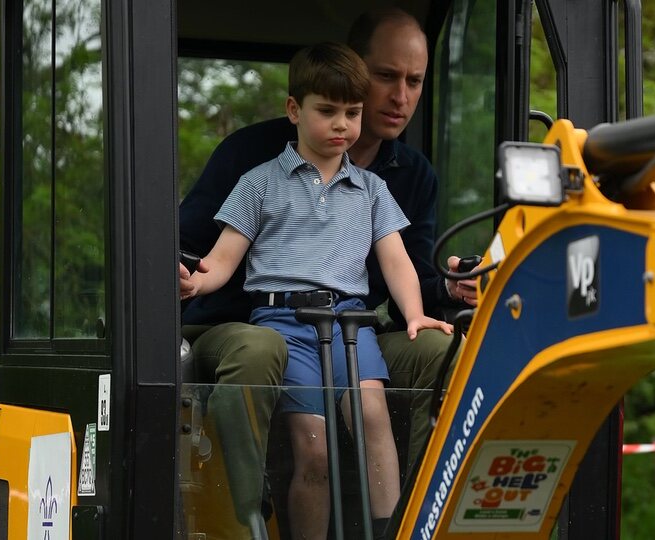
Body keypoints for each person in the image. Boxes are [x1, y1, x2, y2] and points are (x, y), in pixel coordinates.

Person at [177, 7, 476, 535]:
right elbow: (204, 254)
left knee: (403, 387)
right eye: (386, 76)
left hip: (350, 324)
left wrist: (438, 293)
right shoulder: (255, 168)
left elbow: (402, 262)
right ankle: (244, 523)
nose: (401, 97)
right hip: (263, 324)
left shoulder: (388, 183)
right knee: (300, 428)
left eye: (415, 81)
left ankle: (406, 526)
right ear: (297, 107)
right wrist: (190, 279)